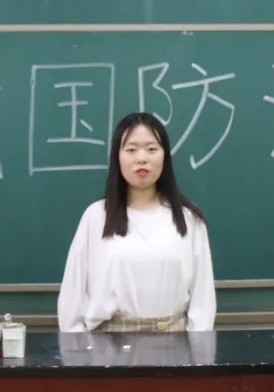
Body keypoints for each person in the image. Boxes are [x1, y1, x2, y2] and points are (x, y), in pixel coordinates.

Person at [57, 112, 217, 333]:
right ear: (118, 157)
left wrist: (197, 349)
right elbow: (72, 296)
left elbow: (203, 303)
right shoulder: (96, 217)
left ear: (165, 156)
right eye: (131, 150)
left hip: (175, 343)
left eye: (152, 149)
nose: (142, 158)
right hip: (106, 345)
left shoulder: (188, 219)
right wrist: (77, 347)